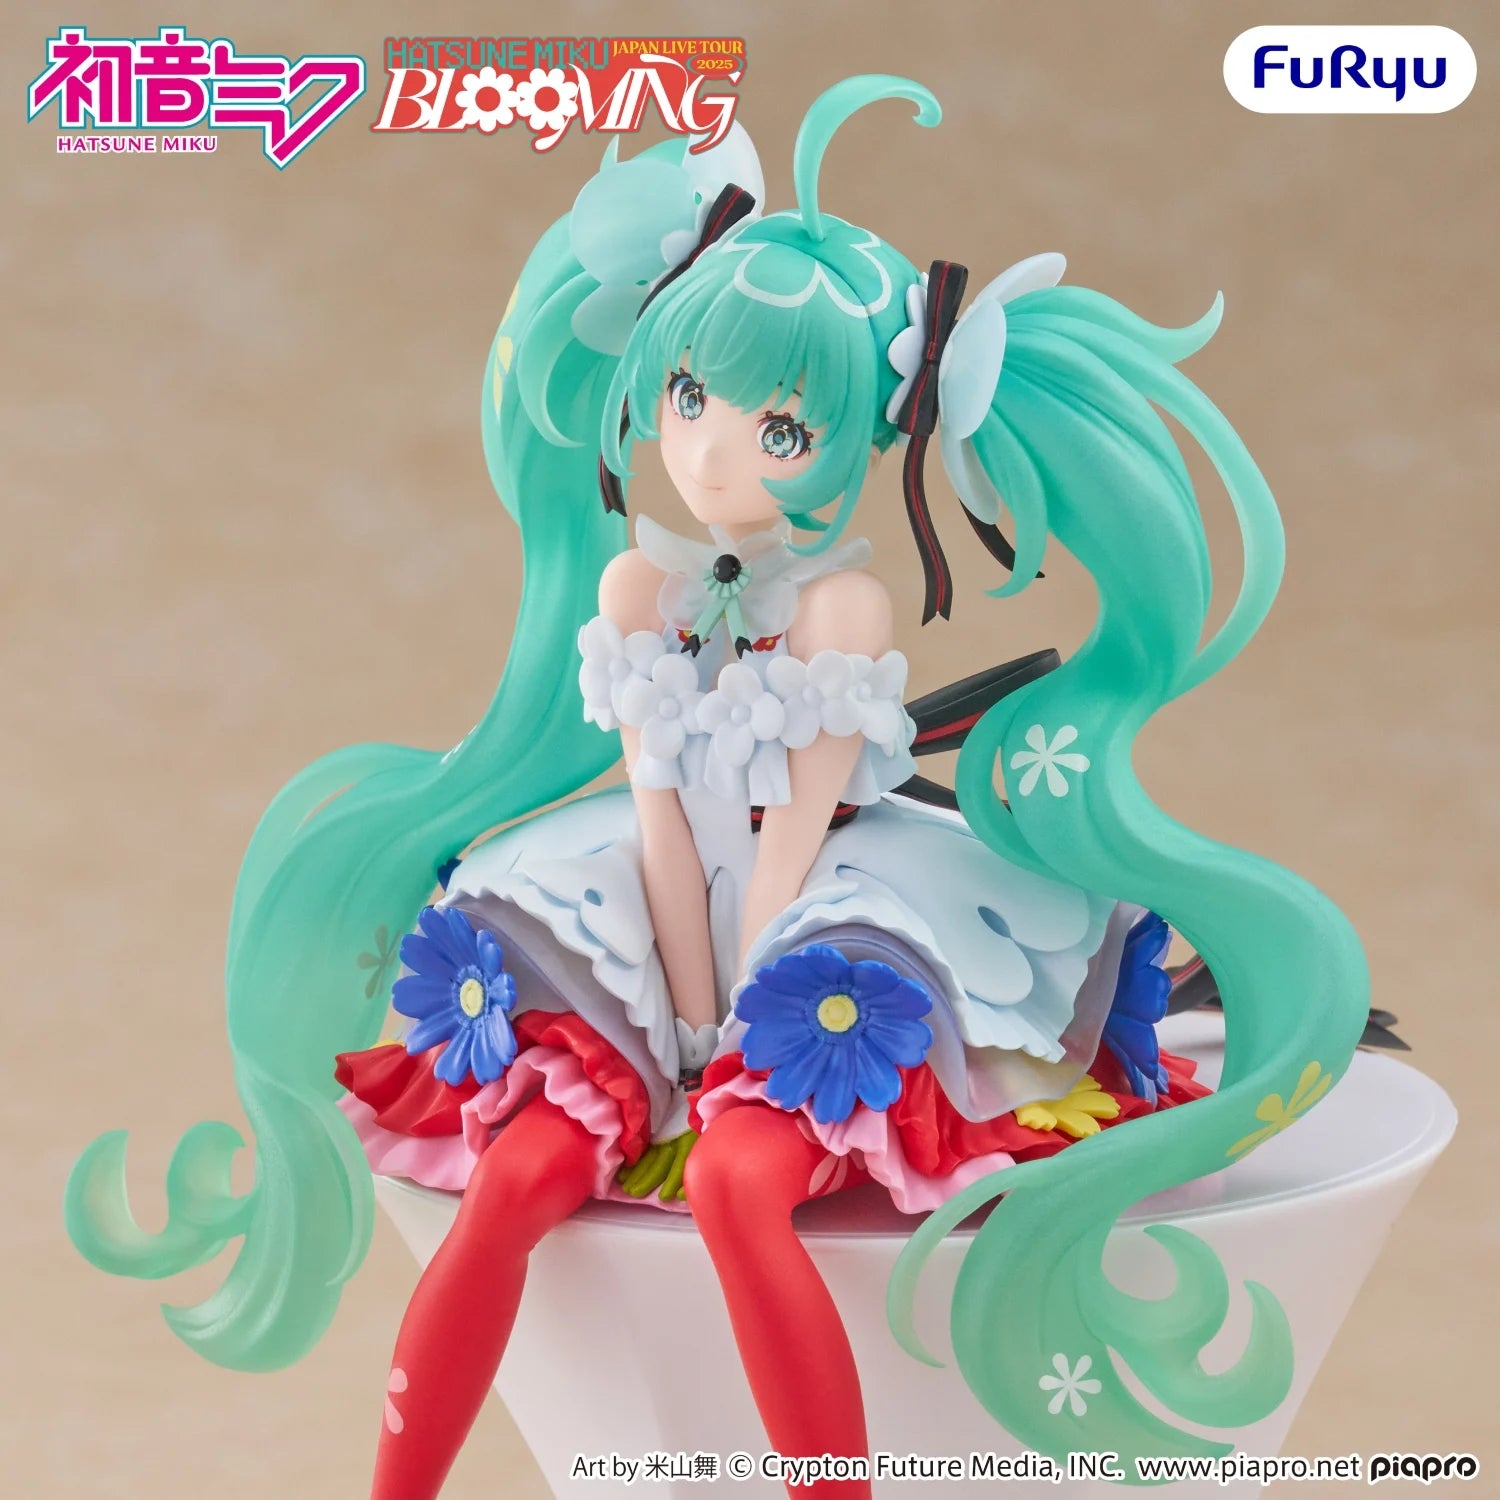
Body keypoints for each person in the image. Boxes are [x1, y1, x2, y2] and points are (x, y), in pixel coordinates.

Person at [65, 75, 1370, 1498]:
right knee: (512, 1184)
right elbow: (656, 816)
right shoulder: (639, 586)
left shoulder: (840, 613)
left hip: (818, 910)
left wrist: (731, 1027)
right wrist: (680, 1022)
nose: (712, 453)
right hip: (647, 901)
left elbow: (795, 837)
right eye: (690, 397)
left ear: (858, 446)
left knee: (743, 1189)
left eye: (780, 430)